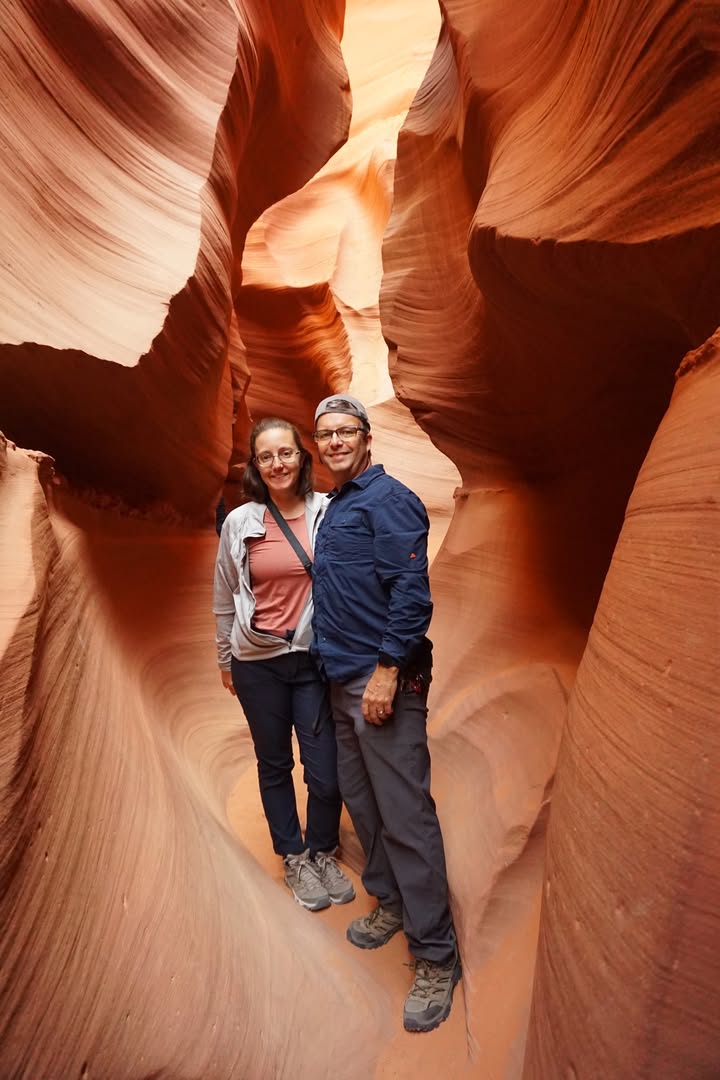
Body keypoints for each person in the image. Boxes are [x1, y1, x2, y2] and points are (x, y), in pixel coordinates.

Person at [310, 394, 461, 1033]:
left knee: (405, 816)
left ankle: (435, 956)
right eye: (326, 434)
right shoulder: (339, 505)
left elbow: (411, 591)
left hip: (381, 683)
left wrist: (388, 670)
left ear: (367, 438)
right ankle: (392, 901)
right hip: (340, 678)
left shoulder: (388, 499)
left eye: (346, 431)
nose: (335, 442)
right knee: (364, 804)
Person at [213, 417, 354, 912]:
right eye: (266, 456)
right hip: (258, 662)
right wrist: (225, 659)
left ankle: (322, 847)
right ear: (256, 465)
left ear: (303, 456)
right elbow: (225, 596)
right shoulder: (241, 521)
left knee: (325, 769)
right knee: (274, 762)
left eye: (286, 453)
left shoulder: (327, 513)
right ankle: (294, 855)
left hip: (312, 660)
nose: (277, 463)